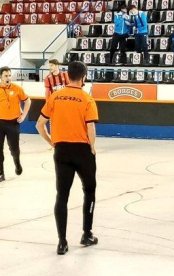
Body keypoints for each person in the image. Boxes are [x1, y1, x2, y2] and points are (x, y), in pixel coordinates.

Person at [36, 61, 99, 255]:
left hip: (61, 150)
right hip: (82, 151)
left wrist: (52, 142)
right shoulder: (87, 99)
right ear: (84, 77)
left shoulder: (55, 96)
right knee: (89, 190)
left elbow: (39, 124)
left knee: (61, 195)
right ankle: (86, 233)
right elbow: (90, 128)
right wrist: (93, 147)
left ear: (67, 76)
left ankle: (62, 242)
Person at [0, 66, 31, 182]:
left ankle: (17, 163)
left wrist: (23, 116)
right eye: (5, 76)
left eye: (9, 75)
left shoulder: (17, 88)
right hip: (0, 123)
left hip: (13, 123)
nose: (8, 78)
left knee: (14, 149)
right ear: (1, 77)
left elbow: (28, 100)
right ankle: (1, 173)